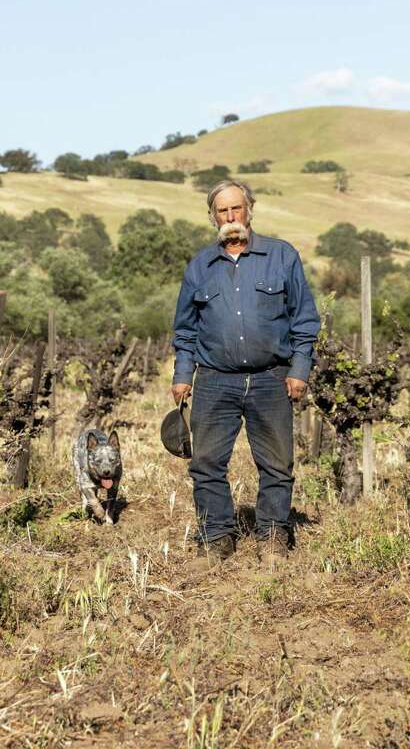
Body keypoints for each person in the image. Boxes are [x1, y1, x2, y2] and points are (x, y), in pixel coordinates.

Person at [170, 179, 320, 564]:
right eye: (223, 210)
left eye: (237, 208)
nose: (231, 216)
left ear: (250, 209)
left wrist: (299, 368)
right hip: (215, 379)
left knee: (276, 463)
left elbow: (304, 319)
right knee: (205, 464)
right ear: (212, 217)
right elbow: (185, 329)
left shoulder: (282, 256)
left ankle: (272, 536)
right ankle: (216, 535)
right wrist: (183, 374)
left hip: (272, 377)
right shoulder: (199, 267)